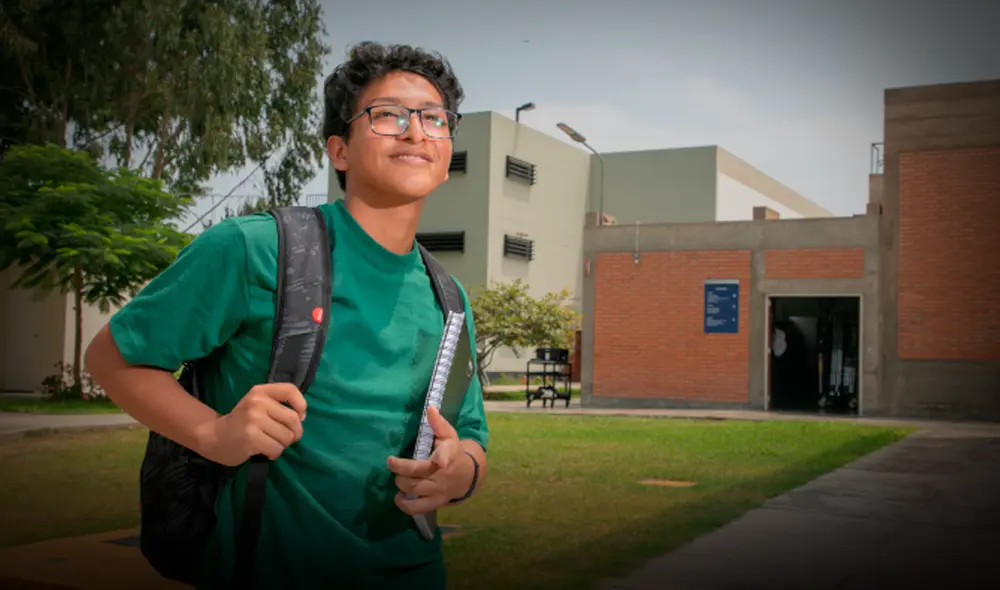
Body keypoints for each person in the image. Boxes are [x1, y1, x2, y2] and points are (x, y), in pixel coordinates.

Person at [84, 41, 489, 590]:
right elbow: (112, 358)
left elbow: (468, 434)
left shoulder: (449, 297)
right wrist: (214, 433)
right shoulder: (256, 250)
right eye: (388, 114)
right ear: (339, 151)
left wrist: (460, 472)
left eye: (434, 118)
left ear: (446, 157)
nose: (415, 131)